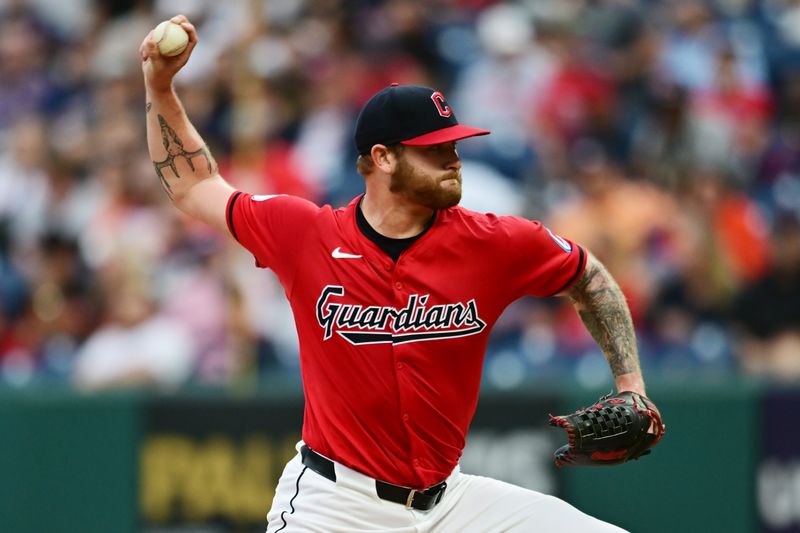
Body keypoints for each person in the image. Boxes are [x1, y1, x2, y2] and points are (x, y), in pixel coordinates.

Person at [141, 15, 654, 533]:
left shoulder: (493, 242)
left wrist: (630, 383)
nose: (454, 160)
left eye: (454, 145)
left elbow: (588, 275)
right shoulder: (305, 233)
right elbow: (192, 186)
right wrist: (160, 87)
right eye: (436, 150)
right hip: (334, 505)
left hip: (450, 502)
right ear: (383, 158)